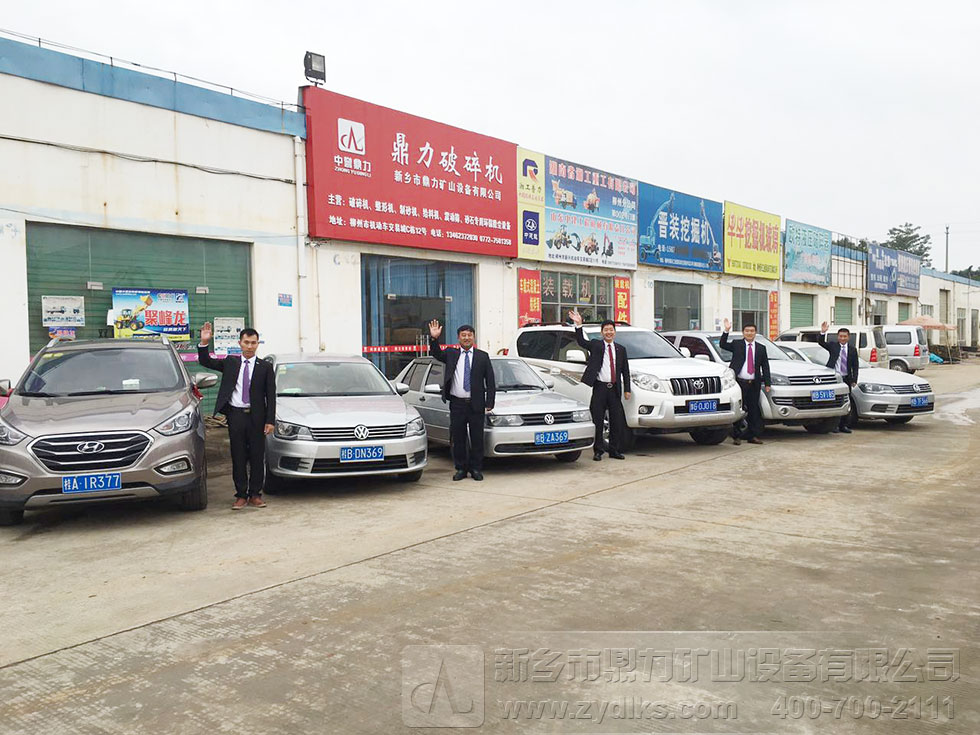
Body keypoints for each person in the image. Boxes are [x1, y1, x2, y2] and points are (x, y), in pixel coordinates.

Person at [198, 322, 276, 509]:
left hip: (257, 417)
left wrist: (270, 420)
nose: (250, 346)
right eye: (246, 342)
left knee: (257, 456)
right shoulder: (231, 363)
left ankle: (255, 494)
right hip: (236, 416)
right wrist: (204, 342)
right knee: (238, 456)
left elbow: (271, 395)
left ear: (257, 344)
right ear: (240, 343)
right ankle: (241, 494)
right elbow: (206, 362)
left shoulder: (265, 367)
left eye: (253, 343)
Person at [428, 320, 495, 481]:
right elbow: (436, 353)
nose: (466, 338)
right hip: (457, 404)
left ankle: (476, 468)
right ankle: (461, 468)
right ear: (458, 338)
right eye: (463, 335)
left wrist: (490, 402)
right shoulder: (451, 354)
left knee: (477, 438)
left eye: (469, 335)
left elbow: (490, 380)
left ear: (474, 337)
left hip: (476, 404)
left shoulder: (482, 356)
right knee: (458, 438)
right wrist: (434, 339)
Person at [568, 309, 631, 461]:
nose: (609, 332)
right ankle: (598, 451)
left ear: (615, 332)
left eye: (611, 330)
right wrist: (579, 325)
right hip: (600, 388)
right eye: (606, 330)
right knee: (598, 419)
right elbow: (582, 342)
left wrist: (627, 390)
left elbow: (625, 371)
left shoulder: (621, 349)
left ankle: (614, 450)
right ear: (602, 332)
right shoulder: (596, 345)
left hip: (614, 389)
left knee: (616, 421)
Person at [720, 318, 771, 445]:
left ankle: (752, 435)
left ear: (755, 333)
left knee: (754, 410)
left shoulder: (761, 348)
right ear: (743, 332)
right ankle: (736, 436)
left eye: (752, 331)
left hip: (754, 383)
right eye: (747, 331)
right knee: (739, 409)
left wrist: (768, 383)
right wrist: (726, 331)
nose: (749, 333)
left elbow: (765, 366)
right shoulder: (737, 344)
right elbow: (722, 344)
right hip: (739, 383)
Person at [818, 322, 859, 433]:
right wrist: (823, 332)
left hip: (846, 378)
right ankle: (834, 426)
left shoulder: (852, 349)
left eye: (845, 336)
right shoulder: (833, 346)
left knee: (845, 401)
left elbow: (855, 366)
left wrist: (854, 379)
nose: (842, 338)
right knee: (833, 401)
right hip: (834, 379)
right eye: (840, 336)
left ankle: (843, 425)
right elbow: (821, 342)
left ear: (848, 337)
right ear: (838, 337)